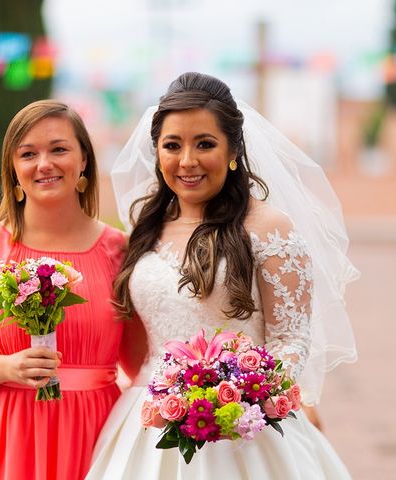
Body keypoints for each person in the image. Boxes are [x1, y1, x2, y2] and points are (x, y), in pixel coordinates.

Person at [86, 72, 359, 479]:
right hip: (148, 422)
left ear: (233, 150)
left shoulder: (268, 228)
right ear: (157, 152)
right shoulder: (144, 225)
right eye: (172, 146)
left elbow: (291, 340)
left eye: (205, 144)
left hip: (242, 428)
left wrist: (232, 399)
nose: (187, 161)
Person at [0, 100, 141, 480]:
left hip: (95, 431)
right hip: (6, 431)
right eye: (28, 153)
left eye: (59, 149)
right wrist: (6, 366)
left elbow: (139, 364)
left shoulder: (120, 251)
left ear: (84, 160)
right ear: (13, 168)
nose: (45, 164)